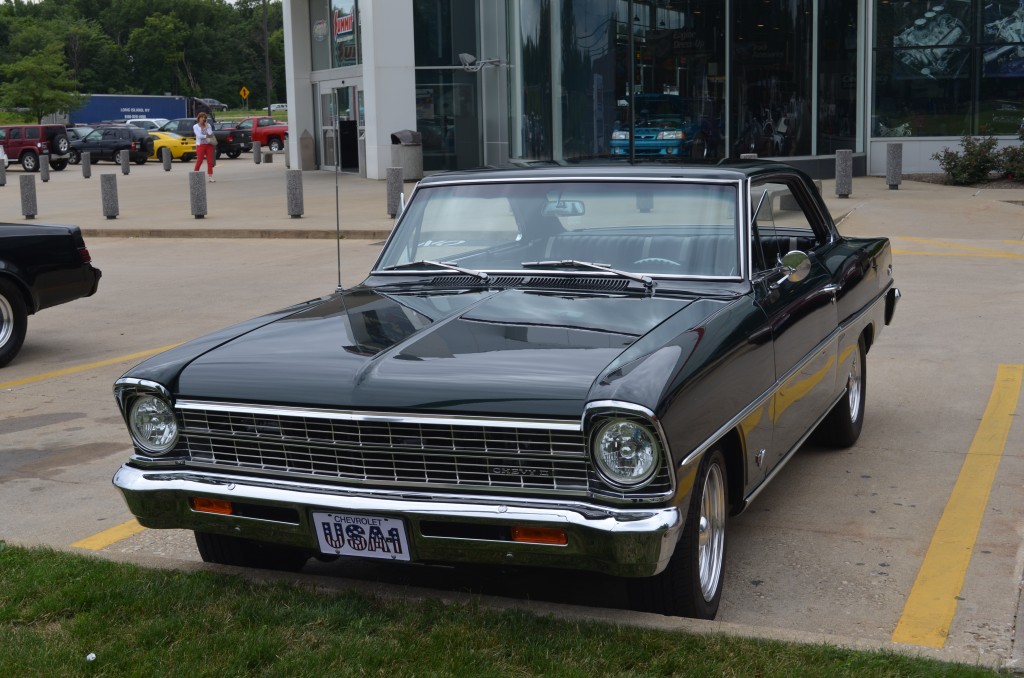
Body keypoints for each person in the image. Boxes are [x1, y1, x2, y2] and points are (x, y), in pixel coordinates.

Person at [193, 112, 216, 182]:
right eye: (202, 117)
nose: (203, 119)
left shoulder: (208, 125)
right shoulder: (195, 126)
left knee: (210, 161)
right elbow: (199, 135)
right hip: (201, 145)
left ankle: (210, 177)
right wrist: (206, 136)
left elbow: (210, 134)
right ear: (199, 118)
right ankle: (195, 175)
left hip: (209, 145)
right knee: (199, 161)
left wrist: (207, 127)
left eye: (205, 118)